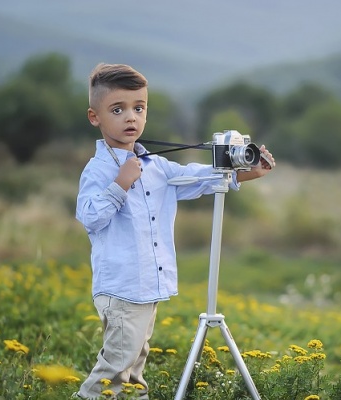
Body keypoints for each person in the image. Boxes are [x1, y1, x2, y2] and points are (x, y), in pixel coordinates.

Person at [74, 63, 275, 399]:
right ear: (95, 117)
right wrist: (120, 184)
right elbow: (90, 217)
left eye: (139, 108)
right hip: (122, 287)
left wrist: (244, 173)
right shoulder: (99, 169)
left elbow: (195, 177)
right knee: (116, 365)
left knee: (134, 364)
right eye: (118, 110)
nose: (130, 118)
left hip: (147, 286)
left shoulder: (157, 165)